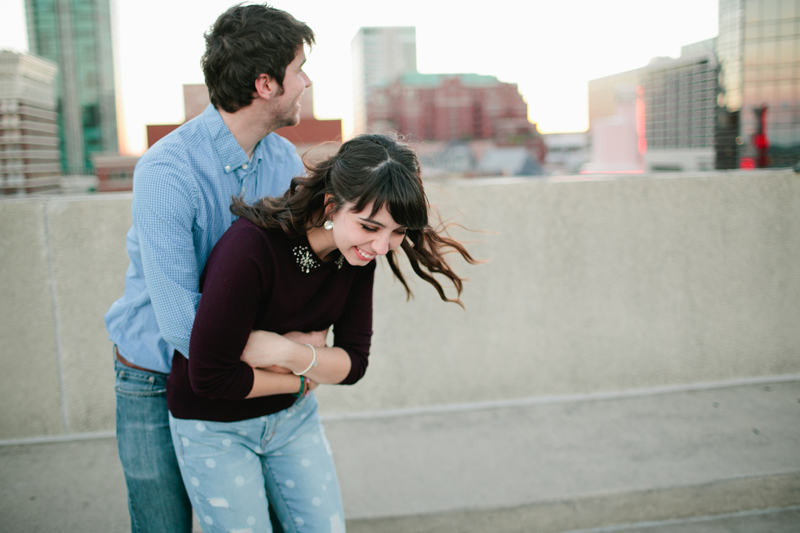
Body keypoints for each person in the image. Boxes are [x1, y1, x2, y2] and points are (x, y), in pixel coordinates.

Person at [166, 134, 476, 531]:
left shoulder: (357, 257)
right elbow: (210, 376)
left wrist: (287, 354)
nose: (383, 246)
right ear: (332, 205)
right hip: (215, 427)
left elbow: (354, 363)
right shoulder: (251, 250)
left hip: (292, 421)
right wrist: (302, 381)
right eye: (370, 226)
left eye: (398, 232)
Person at [104, 4, 315, 532]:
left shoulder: (285, 161)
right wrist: (291, 359)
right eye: (299, 70)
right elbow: (182, 326)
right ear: (265, 84)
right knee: (162, 525)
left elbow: (299, 267)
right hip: (155, 375)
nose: (307, 82)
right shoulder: (167, 169)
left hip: (245, 369)